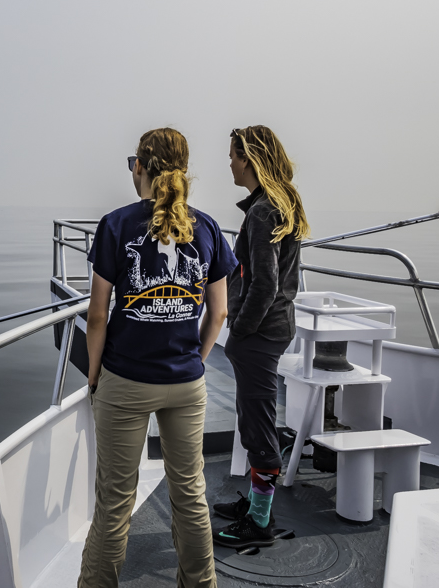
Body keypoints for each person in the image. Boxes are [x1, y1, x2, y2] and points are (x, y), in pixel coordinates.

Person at [77, 128, 237, 588]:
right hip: (186, 383)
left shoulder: (116, 224)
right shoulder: (207, 228)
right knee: (190, 495)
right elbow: (219, 312)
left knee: (114, 504)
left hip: (125, 379)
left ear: (142, 168)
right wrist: (196, 360)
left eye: (133, 162)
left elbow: (96, 315)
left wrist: (94, 376)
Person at [210, 125, 310, 549]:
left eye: (234, 156)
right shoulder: (277, 203)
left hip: (260, 334)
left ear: (249, 160)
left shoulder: (262, 211)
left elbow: (265, 284)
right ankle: (254, 504)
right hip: (274, 329)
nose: (230, 164)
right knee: (255, 417)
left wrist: (240, 331)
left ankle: (260, 521)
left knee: (257, 426)